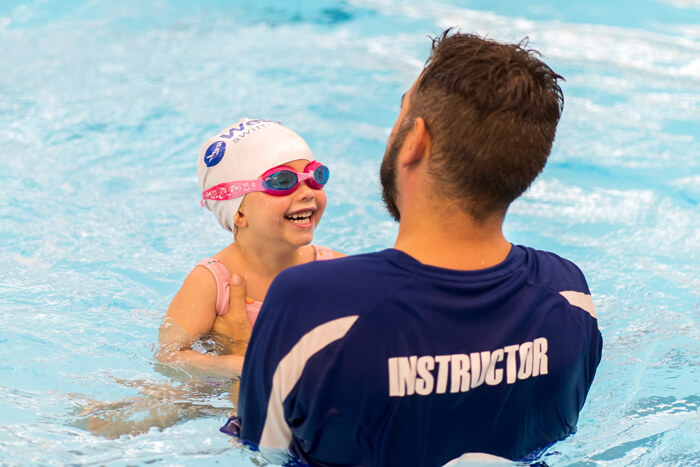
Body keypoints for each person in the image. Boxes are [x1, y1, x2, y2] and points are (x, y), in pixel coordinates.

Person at [228, 31, 603, 466]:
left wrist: (246, 353)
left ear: (415, 142)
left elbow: (261, 454)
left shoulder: (311, 305)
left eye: (401, 111)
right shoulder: (570, 295)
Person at [158, 118, 343, 378]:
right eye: (282, 181)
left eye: (315, 176)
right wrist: (238, 366)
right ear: (239, 213)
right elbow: (169, 356)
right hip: (219, 391)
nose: (307, 193)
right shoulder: (212, 282)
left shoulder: (336, 271)